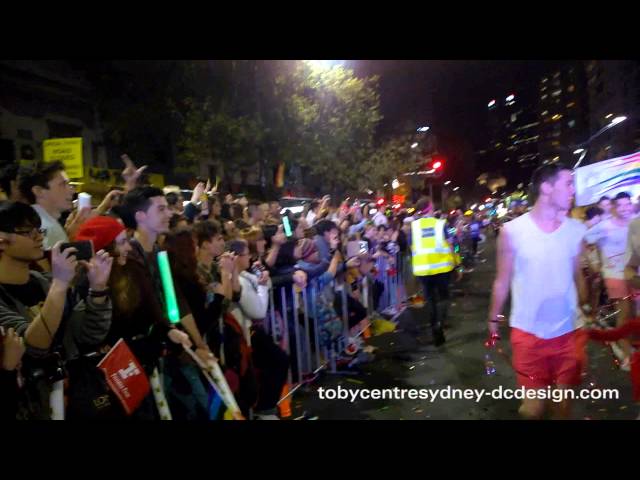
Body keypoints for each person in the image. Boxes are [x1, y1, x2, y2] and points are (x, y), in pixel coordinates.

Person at [488, 162, 588, 420]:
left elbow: (577, 274)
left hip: (568, 332)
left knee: (562, 407)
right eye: (568, 183)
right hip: (528, 333)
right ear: (546, 187)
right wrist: (493, 319)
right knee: (533, 409)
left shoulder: (576, 230)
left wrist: (587, 307)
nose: (572, 190)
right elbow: (502, 280)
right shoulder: (512, 232)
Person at [0, 201, 113, 419]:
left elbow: (88, 335)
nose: (38, 237)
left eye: (38, 229)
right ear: (2, 241)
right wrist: (60, 285)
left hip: (73, 399)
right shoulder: (49, 287)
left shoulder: (45, 283)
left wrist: (98, 290)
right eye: (26, 231)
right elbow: (34, 347)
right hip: (32, 404)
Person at [584, 192, 635, 369]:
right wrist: (595, 262)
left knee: (635, 314)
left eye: (627, 204)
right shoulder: (604, 226)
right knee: (625, 313)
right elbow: (585, 240)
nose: (624, 208)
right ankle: (626, 354)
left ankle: (629, 345)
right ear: (613, 207)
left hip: (633, 274)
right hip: (614, 275)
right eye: (620, 205)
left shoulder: (635, 222)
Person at [409, 197, 457, 346]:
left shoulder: (414, 227)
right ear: (430, 208)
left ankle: (433, 328)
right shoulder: (440, 224)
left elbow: (412, 247)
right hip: (442, 268)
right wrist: (457, 263)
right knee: (444, 298)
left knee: (430, 301)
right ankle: (439, 325)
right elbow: (450, 244)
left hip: (423, 270)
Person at [18, 161, 90, 250]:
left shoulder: (43, 222)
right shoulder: (43, 227)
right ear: (38, 191)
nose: (72, 191)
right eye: (63, 184)